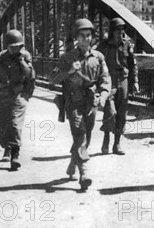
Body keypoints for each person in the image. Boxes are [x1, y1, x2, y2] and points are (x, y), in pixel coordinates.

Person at [52, 18, 111, 191]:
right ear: (76, 38)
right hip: (73, 102)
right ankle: (84, 172)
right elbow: (52, 80)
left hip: (91, 102)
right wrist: (69, 71)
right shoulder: (67, 58)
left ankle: (73, 161)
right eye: (82, 36)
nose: (86, 39)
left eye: (88, 35)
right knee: (79, 133)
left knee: (86, 136)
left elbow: (105, 80)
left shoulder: (98, 57)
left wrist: (104, 96)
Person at [0, 29, 35, 171]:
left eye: (18, 46)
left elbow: (30, 75)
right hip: (1, 94)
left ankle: (15, 155)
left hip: (18, 94)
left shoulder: (25, 56)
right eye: (12, 46)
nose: (15, 49)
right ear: (7, 46)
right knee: (4, 122)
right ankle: (6, 147)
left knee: (14, 122)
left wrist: (22, 62)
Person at [96, 17, 139, 155]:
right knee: (110, 111)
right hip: (109, 81)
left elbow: (133, 64)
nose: (121, 32)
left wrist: (135, 81)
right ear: (112, 31)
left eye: (123, 29)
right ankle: (106, 139)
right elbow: (95, 63)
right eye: (118, 29)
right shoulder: (103, 45)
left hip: (123, 80)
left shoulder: (127, 45)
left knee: (121, 113)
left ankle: (117, 143)